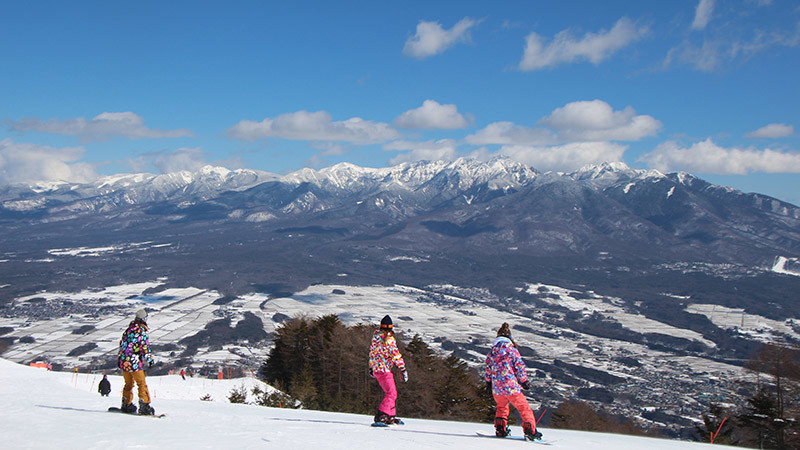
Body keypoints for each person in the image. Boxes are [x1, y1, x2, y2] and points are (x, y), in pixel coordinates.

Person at [485, 322, 542, 441]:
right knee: (524, 408)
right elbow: (519, 368)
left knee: (501, 407)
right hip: (511, 387)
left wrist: (488, 383)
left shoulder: (492, 352)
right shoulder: (512, 351)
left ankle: (501, 429)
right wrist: (524, 381)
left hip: (497, 388)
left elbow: (488, 369)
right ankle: (530, 430)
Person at [368, 315, 408, 425]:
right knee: (391, 392)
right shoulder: (389, 339)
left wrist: (371, 367)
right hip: (384, 370)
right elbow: (395, 354)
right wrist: (402, 367)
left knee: (391, 392)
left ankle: (390, 415)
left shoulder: (376, 338)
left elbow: (372, 354)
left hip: (377, 370)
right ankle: (382, 415)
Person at [117, 308, 155, 415]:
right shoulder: (141, 333)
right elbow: (144, 348)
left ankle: (126, 403)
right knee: (141, 383)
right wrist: (150, 360)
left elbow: (122, 345)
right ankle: (144, 404)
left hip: (124, 362)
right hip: (134, 362)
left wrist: (120, 358)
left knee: (128, 384)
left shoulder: (128, 331)